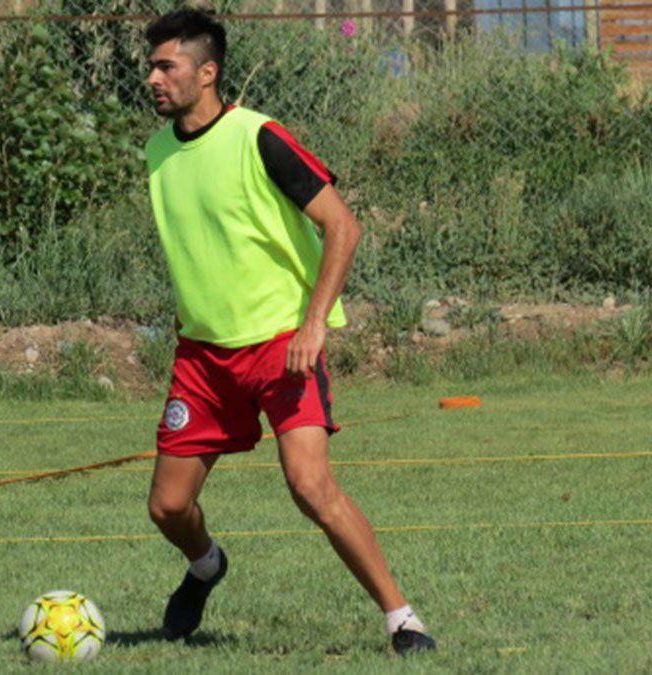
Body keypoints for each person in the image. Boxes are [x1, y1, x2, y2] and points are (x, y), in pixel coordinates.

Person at [142, 9, 437, 656]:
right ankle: (205, 566)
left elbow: (344, 226)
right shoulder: (157, 151)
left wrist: (312, 326)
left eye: (167, 66)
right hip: (202, 356)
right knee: (167, 507)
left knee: (310, 484)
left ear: (208, 72)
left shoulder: (260, 137)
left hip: (283, 347)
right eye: (152, 65)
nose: (153, 78)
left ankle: (402, 619)